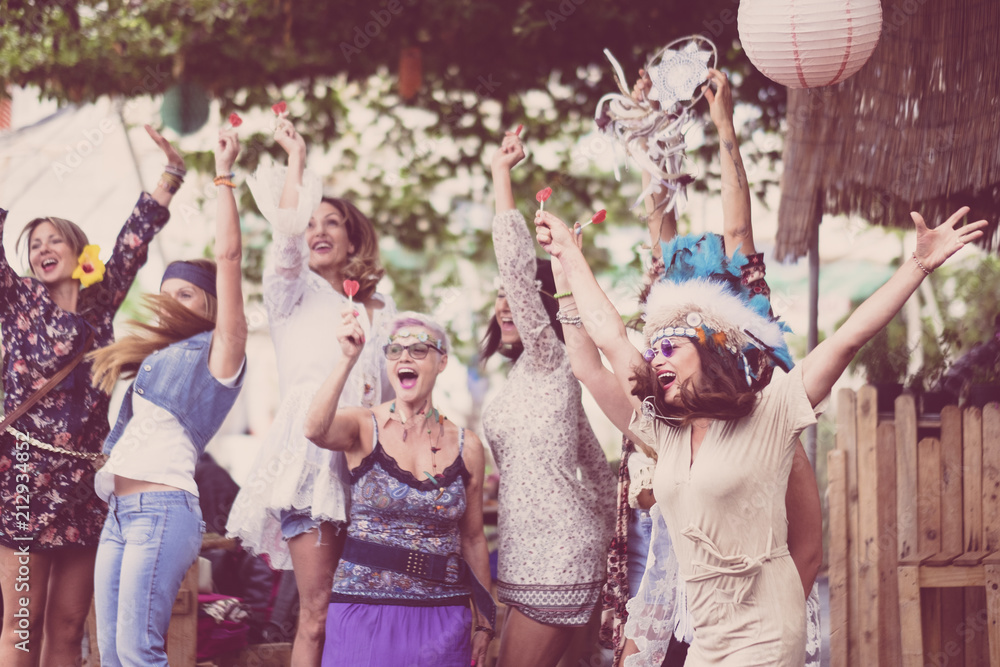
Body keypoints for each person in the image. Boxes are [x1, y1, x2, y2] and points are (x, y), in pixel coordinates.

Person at [537, 189, 987, 664]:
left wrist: (917, 266)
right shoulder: (663, 431)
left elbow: (848, 339)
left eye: (672, 347)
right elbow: (605, 339)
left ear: (708, 352)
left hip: (766, 631)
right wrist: (566, 257)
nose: (656, 358)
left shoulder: (771, 411)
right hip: (707, 638)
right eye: (653, 350)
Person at [580, 68, 821, 667]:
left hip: (742, 430)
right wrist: (649, 130)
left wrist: (724, 125)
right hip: (681, 449)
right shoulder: (664, 344)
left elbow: (738, 224)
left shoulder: (743, 311)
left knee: (793, 538)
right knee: (657, 565)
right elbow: (657, 218)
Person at [0, 125, 183, 666]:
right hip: (27, 482)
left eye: (54, 239)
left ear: (80, 251)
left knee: (70, 623)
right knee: (21, 625)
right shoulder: (16, 300)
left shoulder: (100, 304)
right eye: (35, 245)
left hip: (84, 482)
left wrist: (171, 173)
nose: (43, 249)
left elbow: (134, 238)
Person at [226, 116, 395, 666]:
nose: (318, 230)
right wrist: (295, 161)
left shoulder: (382, 311)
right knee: (318, 613)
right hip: (311, 463)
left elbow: (396, 390)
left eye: (332, 222)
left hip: (373, 459)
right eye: (311, 222)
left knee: (368, 607)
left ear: (353, 237)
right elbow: (285, 238)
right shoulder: (288, 292)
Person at [88, 128, 248, 666]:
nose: (170, 303)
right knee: (111, 654)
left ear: (211, 307)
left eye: (186, 294)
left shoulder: (220, 351)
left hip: (162, 510)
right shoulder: (157, 360)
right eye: (166, 293)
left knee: (138, 655)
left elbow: (228, 257)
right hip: (119, 511)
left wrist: (222, 173)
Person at [484, 129, 616, 667]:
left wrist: (501, 177)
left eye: (518, 301)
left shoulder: (552, 360)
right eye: (499, 302)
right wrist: (610, 542)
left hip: (556, 555)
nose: (506, 307)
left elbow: (517, 270)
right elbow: (596, 466)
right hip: (525, 551)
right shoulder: (527, 380)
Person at [303, 311, 494, 667]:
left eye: (419, 349)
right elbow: (314, 429)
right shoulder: (362, 425)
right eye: (395, 350)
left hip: (443, 615)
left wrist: (484, 622)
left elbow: (473, 539)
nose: (404, 357)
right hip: (363, 609)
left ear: (442, 362)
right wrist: (348, 358)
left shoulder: (468, 446)